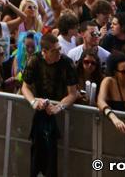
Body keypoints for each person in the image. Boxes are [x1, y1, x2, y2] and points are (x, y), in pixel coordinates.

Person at [20, 32, 79, 177]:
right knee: (37, 151)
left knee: (61, 153)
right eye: (55, 50)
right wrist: (33, 102)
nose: (59, 52)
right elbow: (25, 87)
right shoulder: (34, 60)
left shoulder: (66, 62)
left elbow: (73, 93)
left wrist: (59, 107)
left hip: (61, 111)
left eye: (60, 49)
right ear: (44, 51)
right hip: (39, 109)